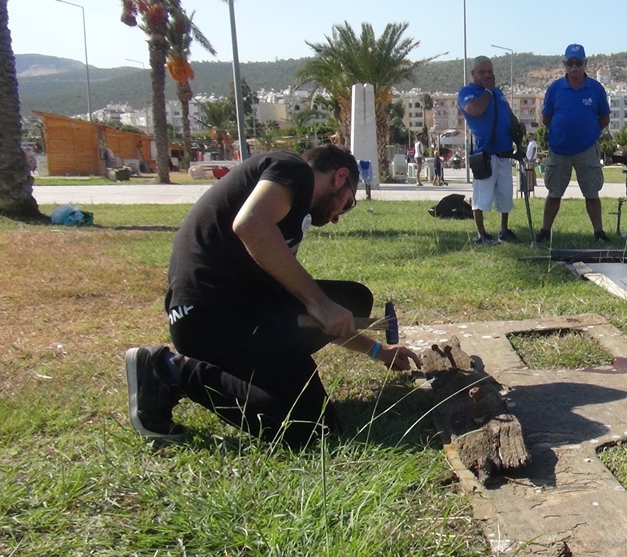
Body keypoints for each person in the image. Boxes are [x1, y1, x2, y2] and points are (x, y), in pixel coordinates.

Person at [124, 145, 422, 447]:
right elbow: (249, 224)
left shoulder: (284, 221)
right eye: (347, 204)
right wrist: (319, 303)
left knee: (352, 299)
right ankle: (169, 370)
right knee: (312, 430)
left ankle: (279, 375)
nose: (336, 218)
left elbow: (315, 316)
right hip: (207, 315)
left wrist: (377, 351)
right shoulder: (293, 168)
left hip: (245, 310)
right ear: (339, 176)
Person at [536, 44, 612, 243]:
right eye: (570, 62)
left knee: (592, 194)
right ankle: (545, 231)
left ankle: (599, 233)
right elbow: (546, 118)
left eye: (579, 62)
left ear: (585, 63)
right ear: (564, 64)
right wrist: (563, 133)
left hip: (587, 150)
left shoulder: (596, 89)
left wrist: (587, 133)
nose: (574, 66)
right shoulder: (555, 88)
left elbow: (604, 118)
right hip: (559, 150)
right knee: (554, 194)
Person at [459, 56, 523, 245]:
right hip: (485, 154)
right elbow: (475, 110)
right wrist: (487, 90)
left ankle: (504, 230)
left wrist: (517, 125)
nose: (487, 75)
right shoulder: (467, 93)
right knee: (481, 196)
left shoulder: (498, 93)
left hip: (504, 152)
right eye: (482, 72)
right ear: (473, 74)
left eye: (489, 72)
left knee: (505, 195)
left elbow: (508, 113)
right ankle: (482, 234)